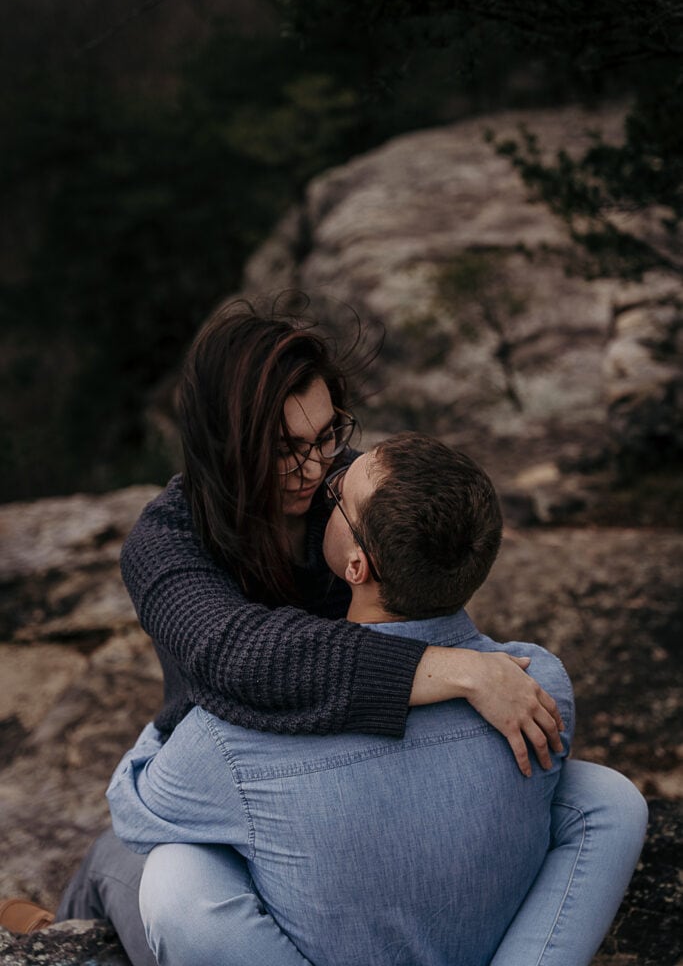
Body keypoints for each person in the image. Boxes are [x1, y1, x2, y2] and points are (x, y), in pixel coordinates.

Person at [0, 301, 646, 965]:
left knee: (604, 798)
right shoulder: (168, 542)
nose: (313, 470)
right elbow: (237, 655)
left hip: (337, 787)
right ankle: (58, 936)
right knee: (128, 870)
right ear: (224, 444)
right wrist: (453, 669)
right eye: (284, 450)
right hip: (245, 782)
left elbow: (420, 571)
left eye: (326, 436)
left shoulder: (349, 495)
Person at [106, 433, 647, 966]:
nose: (323, 481)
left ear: (356, 566)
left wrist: (184, 706)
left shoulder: (231, 740)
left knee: (156, 873)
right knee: (607, 797)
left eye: (339, 490)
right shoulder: (539, 688)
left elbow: (132, 807)